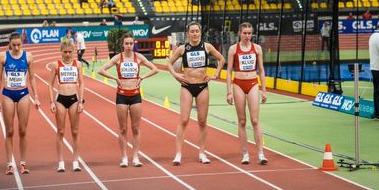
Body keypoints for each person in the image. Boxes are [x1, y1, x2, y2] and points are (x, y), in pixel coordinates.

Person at [167, 22, 225, 165]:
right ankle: (178, 154)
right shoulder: (182, 48)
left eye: (196, 31)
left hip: (202, 86)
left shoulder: (207, 47)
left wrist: (215, 75)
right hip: (187, 86)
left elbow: (222, 59)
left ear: (200, 32)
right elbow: (169, 63)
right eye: (192, 31)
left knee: (202, 121)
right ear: (188, 33)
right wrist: (175, 75)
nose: (194, 33)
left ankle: (202, 153)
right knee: (184, 120)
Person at [98, 33, 159, 167]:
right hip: (121, 95)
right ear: (123, 44)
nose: (129, 46)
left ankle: (136, 157)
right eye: (126, 43)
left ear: (134, 44)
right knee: (123, 128)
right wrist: (115, 79)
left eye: (131, 43)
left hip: (135, 95)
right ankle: (124, 157)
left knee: (136, 128)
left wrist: (142, 77)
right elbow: (100, 70)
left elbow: (155, 69)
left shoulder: (139, 57)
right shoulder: (118, 58)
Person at [0, 32, 41, 174]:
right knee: (9, 131)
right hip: (8, 94)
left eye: (18, 44)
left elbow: (32, 78)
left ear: (22, 43)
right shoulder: (2, 57)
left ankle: (23, 163)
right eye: (13, 45)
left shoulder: (28, 56)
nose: (16, 47)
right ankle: (9, 164)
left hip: (23, 94)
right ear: (9, 43)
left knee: (22, 130)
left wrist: (37, 96)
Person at [226, 23, 268, 165]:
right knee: (242, 121)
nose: (247, 36)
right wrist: (229, 92)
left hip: (253, 83)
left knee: (255, 120)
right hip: (238, 83)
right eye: (244, 33)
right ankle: (245, 154)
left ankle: (261, 153)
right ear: (239, 33)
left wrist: (264, 89)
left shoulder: (257, 48)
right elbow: (229, 71)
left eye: (249, 33)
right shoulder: (233, 49)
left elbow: (261, 70)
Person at [48, 39, 85, 172]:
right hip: (60, 99)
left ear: (74, 51)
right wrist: (51, 101)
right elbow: (50, 84)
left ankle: (75, 161)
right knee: (61, 131)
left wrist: (81, 101)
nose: (68, 54)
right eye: (65, 52)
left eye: (70, 52)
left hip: (74, 99)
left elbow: (81, 83)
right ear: (61, 51)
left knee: (75, 131)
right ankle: (61, 162)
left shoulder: (78, 64)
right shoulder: (56, 65)